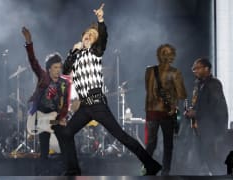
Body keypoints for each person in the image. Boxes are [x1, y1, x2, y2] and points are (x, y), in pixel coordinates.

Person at [61, 3, 162, 176]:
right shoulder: (76, 56)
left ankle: (150, 164)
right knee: (67, 133)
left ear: (94, 41)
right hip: (85, 107)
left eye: (91, 36)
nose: (88, 38)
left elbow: (103, 39)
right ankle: (73, 170)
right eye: (86, 35)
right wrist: (72, 51)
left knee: (121, 136)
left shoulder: (95, 52)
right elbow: (65, 70)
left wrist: (100, 20)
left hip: (98, 103)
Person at [22, 27, 70, 161]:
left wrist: (63, 117)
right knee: (44, 152)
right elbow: (33, 61)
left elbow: (65, 104)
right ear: (49, 69)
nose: (58, 70)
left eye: (60, 67)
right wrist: (28, 42)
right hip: (40, 116)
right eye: (55, 67)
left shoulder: (64, 83)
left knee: (64, 148)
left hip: (54, 118)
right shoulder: (43, 76)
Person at [145, 44, 187, 175]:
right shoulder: (175, 72)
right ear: (172, 57)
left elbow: (148, 90)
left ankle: (146, 169)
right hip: (166, 112)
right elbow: (182, 94)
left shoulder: (149, 70)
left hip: (151, 111)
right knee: (168, 144)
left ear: (158, 55)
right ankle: (165, 171)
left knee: (151, 143)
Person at [184, 57, 228, 175]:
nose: (194, 71)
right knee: (196, 164)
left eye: (197, 68)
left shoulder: (214, 84)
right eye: (193, 69)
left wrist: (196, 113)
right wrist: (190, 111)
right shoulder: (198, 84)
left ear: (206, 69)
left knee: (212, 162)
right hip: (198, 130)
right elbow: (199, 105)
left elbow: (217, 108)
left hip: (210, 131)